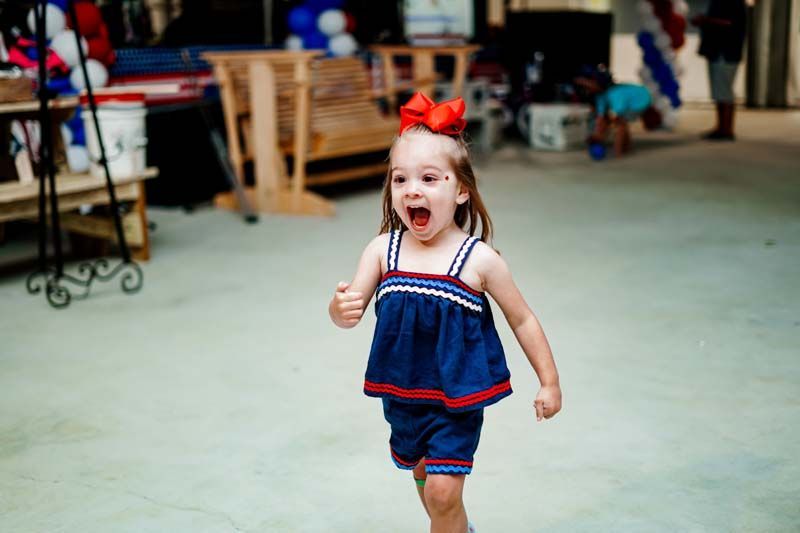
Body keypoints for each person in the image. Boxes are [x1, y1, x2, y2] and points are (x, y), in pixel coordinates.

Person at [328, 92, 562, 533]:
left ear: (460, 192)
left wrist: (549, 381)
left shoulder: (479, 260)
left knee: (442, 492)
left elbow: (523, 318)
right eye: (400, 180)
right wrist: (339, 306)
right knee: (424, 479)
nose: (412, 189)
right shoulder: (383, 250)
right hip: (401, 392)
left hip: (456, 395)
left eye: (429, 179)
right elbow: (349, 311)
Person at [692, 0, 747, 141]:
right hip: (717, 51)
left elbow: (730, 23)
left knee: (725, 92)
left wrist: (705, 20)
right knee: (719, 92)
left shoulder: (734, 3)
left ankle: (726, 129)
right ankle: (721, 127)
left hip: (726, 51)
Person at [575, 66, 653, 157]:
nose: (585, 90)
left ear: (598, 82)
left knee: (620, 124)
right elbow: (601, 117)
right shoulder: (600, 96)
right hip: (630, 99)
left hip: (640, 100)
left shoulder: (615, 94)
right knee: (613, 122)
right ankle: (626, 147)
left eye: (586, 86)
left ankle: (619, 151)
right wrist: (597, 134)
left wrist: (601, 135)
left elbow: (617, 118)